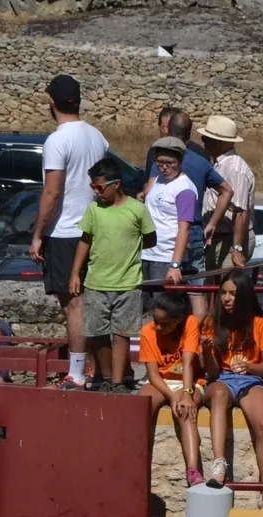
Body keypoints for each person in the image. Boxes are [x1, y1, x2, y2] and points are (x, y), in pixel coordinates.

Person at [30, 74, 109, 390]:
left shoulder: (57, 140)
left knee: (74, 304)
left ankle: (77, 374)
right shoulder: (97, 137)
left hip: (66, 231)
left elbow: (52, 192)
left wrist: (38, 234)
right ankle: (96, 369)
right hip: (94, 228)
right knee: (92, 302)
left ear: (52, 102)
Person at [69, 157, 156, 393]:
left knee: (122, 334)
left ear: (116, 184)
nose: (96, 192)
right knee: (97, 333)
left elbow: (150, 238)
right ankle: (106, 378)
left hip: (128, 284)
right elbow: (85, 241)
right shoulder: (94, 210)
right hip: (96, 283)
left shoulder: (136, 210)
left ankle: (118, 382)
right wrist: (75, 273)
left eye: (99, 187)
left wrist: (130, 248)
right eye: (93, 187)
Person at [143, 111, 234, 322]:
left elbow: (148, 191)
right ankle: (197, 336)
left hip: (167, 244)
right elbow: (227, 191)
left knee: (162, 300)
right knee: (195, 293)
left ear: (167, 130)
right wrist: (212, 223)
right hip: (193, 237)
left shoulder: (160, 160)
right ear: (189, 133)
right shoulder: (201, 160)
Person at [201, 270, 263, 509]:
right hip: (223, 378)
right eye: (223, 293)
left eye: (233, 294)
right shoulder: (211, 322)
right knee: (219, 395)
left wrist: (249, 366)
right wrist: (207, 350)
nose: (226, 299)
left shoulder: (261, 322)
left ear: (244, 295)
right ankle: (219, 463)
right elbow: (212, 373)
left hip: (251, 379)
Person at [138, 291, 204, 486]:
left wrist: (186, 394)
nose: (159, 327)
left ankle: (193, 470)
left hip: (188, 379)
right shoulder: (147, 332)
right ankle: (139, 466)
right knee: (142, 407)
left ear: (178, 320)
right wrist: (171, 395)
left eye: (165, 323)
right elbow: (153, 375)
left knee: (186, 411)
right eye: (156, 321)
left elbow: (188, 362)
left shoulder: (190, 323)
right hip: (161, 381)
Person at [140, 138, 199, 313]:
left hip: (165, 257)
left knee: (164, 310)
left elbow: (184, 228)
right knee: (144, 307)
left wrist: (175, 265)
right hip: (146, 253)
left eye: (170, 163)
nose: (164, 167)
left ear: (180, 161)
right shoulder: (157, 180)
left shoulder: (184, 189)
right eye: (160, 162)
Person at [200, 115, 255, 270]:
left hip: (230, 239)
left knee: (227, 283)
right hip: (219, 238)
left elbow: (240, 211)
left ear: (219, 142)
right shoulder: (220, 164)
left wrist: (237, 249)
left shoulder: (235, 169)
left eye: (206, 139)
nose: (204, 143)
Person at [143, 106, 209, 177]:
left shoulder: (199, 154)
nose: (166, 131)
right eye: (163, 127)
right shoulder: (154, 151)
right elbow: (148, 179)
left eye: (169, 127)